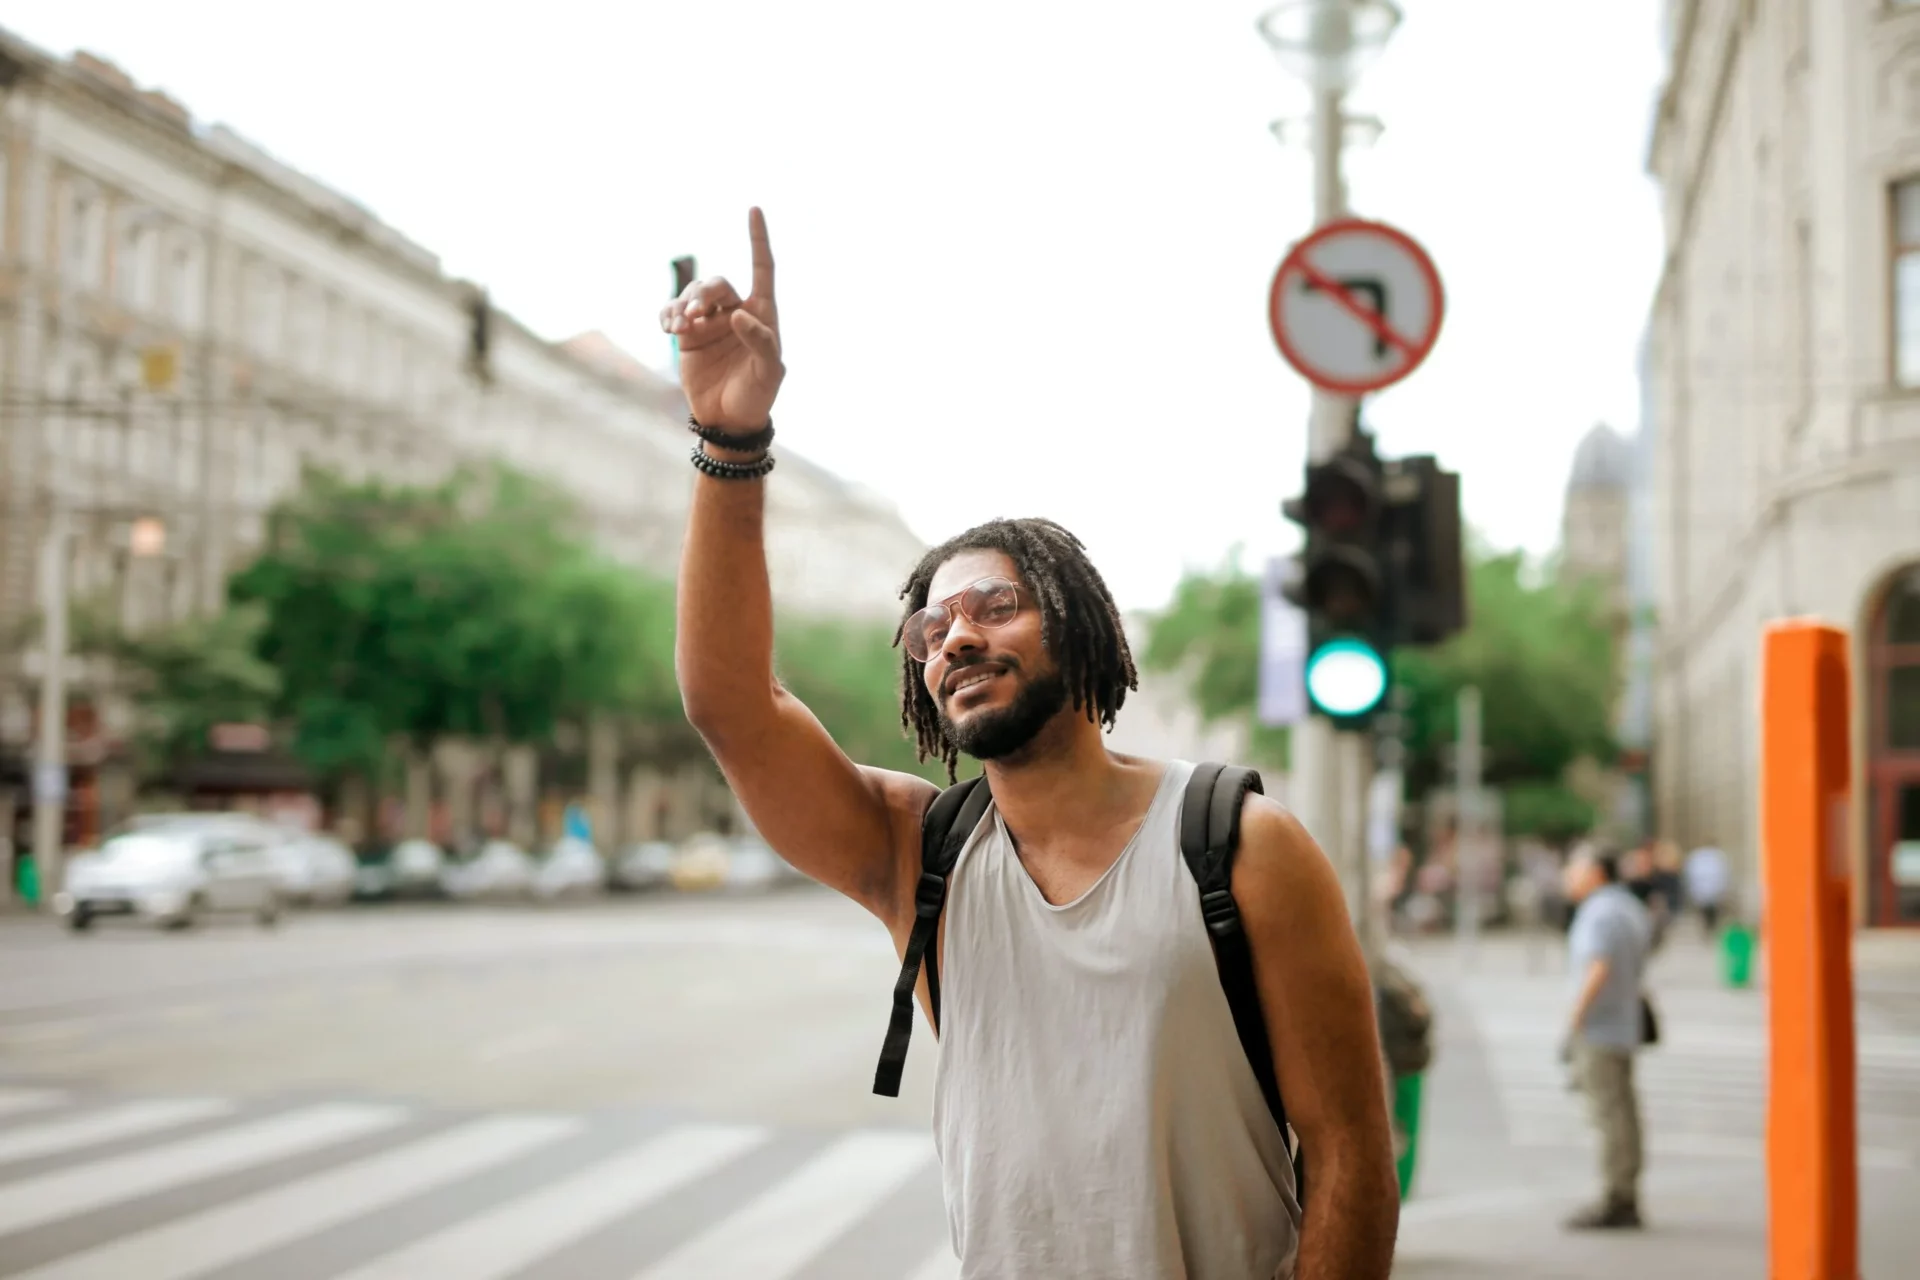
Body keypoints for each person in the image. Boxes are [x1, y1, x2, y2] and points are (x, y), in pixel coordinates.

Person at [661, 209, 1399, 1279]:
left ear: (1081, 626)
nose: (955, 632)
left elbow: (1351, 1158)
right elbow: (732, 704)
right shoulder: (918, 853)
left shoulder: (1243, 848)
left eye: (995, 604)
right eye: (932, 626)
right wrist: (732, 443)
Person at [1558, 847, 1655, 1230]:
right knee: (1624, 1111)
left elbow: (1598, 966)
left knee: (1608, 1114)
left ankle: (1617, 1197)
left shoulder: (1598, 912)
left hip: (1600, 1028)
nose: (1569, 875)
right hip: (1623, 1022)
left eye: (1575, 868)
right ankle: (1625, 1189)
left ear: (1596, 872)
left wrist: (1575, 1018)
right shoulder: (1628, 907)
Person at [1683, 840, 1728, 935]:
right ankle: (1709, 928)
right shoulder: (1717, 856)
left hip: (1706, 890)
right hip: (1709, 890)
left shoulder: (1698, 855)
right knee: (1708, 912)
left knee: (1709, 912)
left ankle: (1708, 928)